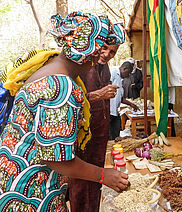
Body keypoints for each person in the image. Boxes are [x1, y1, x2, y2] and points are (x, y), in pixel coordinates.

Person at [0, 11, 129, 211]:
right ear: (91, 55)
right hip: (30, 192)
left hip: (11, 178)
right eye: (99, 52)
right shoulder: (61, 87)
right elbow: (56, 160)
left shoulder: (46, 67)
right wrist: (104, 175)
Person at [68, 24, 124, 212]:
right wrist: (97, 95)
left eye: (112, 52)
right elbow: (70, 100)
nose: (107, 54)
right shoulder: (81, 66)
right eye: (105, 47)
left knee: (96, 182)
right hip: (83, 138)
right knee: (81, 181)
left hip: (99, 136)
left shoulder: (105, 69)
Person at [109, 61, 139, 140]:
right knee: (110, 135)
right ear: (124, 69)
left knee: (116, 133)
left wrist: (131, 104)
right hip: (108, 111)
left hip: (114, 111)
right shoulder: (113, 72)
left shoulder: (120, 79)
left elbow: (120, 97)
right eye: (128, 73)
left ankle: (115, 147)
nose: (128, 75)